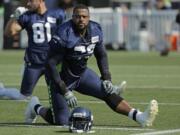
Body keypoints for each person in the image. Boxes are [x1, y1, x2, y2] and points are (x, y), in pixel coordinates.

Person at [25, 4, 158, 127]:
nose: (81, 19)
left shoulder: (96, 29)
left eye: (84, 17)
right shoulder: (63, 33)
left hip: (81, 74)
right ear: (73, 18)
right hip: (60, 78)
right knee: (61, 121)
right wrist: (64, 90)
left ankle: (140, 117)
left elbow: (101, 55)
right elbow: (50, 64)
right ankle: (35, 107)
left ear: (89, 18)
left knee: (107, 91)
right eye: (77, 16)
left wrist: (106, 77)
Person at [2, 0, 65, 100]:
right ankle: (2, 91)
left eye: (31, 1)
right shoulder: (27, 16)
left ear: (40, 1)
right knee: (23, 96)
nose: (28, 4)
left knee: (62, 92)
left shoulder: (57, 14)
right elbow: (9, 33)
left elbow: (65, 34)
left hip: (53, 62)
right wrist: (14, 16)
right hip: (34, 62)